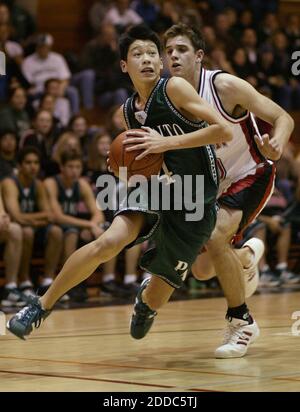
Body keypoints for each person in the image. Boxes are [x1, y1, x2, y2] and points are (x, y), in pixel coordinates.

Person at [7, 24, 232, 340]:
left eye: (153, 53)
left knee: (158, 295)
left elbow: (224, 130)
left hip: (195, 200)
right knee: (108, 242)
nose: (148, 59)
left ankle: (145, 302)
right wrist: (124, 172)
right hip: (158, 190)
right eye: (138, 54)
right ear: (125, 65)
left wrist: (164, 144)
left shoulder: (175, 90)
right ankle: (40, 305)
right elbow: (146, 163)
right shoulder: (127, 112)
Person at [147, 23, 292, 358]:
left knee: (214, 238)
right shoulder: (168, 99)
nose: (173, 57)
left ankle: (242, 322)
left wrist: (278, 143)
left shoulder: (224, 86)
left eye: (181, 50)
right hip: (213, 185)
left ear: (199, 56)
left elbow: (283, 115)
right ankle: (247, 257)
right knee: (202, 269)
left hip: (251, 173)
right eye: (168, 52)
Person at [1, 147, 63, 297]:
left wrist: (31, 219)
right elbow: (16, 216)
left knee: (56, 231)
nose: (33, 166)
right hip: (15, 228)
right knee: (25, 232)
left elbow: (50, 215)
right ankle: (23, 281)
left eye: (36, 162)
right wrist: (37, 218)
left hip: (31, 227)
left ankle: (47, 281)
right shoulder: (10, 183)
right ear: (20, 165)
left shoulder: (38, 184)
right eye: (28, 162)